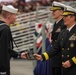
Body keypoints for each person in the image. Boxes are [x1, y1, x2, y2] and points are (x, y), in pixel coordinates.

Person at [34, 5, 76, 75]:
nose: (64, 18)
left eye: (66, 16)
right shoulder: (63, 32)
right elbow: (56, 48)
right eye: (63, 16)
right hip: (64, 68)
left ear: (73, 17)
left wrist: (71, 62)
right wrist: (43, 56)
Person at [0, 5, 26, 75]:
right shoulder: (5, 29)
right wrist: (3, 69)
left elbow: (6, 48)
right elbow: (3, 51)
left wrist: (18, 55)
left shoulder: (1, 26)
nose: (16, 18)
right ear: (9, 15)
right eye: (14, 15)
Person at [50, 1, 66, 75]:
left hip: (59, 57)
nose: (52, 12)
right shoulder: (56, 23)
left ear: (61, 12)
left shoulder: (63, 24)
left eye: (54, 11)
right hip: (54, 56)